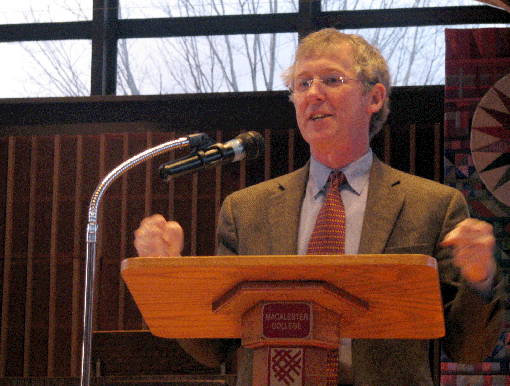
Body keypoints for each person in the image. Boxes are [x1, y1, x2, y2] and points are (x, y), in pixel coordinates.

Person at [133, 28, 504, 386]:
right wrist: (165, 275)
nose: (312, 94)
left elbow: (468, 348)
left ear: (374, 98)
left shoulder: (432, 206)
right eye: (302, 83)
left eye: (331, 79)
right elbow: (215, 348)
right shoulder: (246, 211)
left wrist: (479, 279)